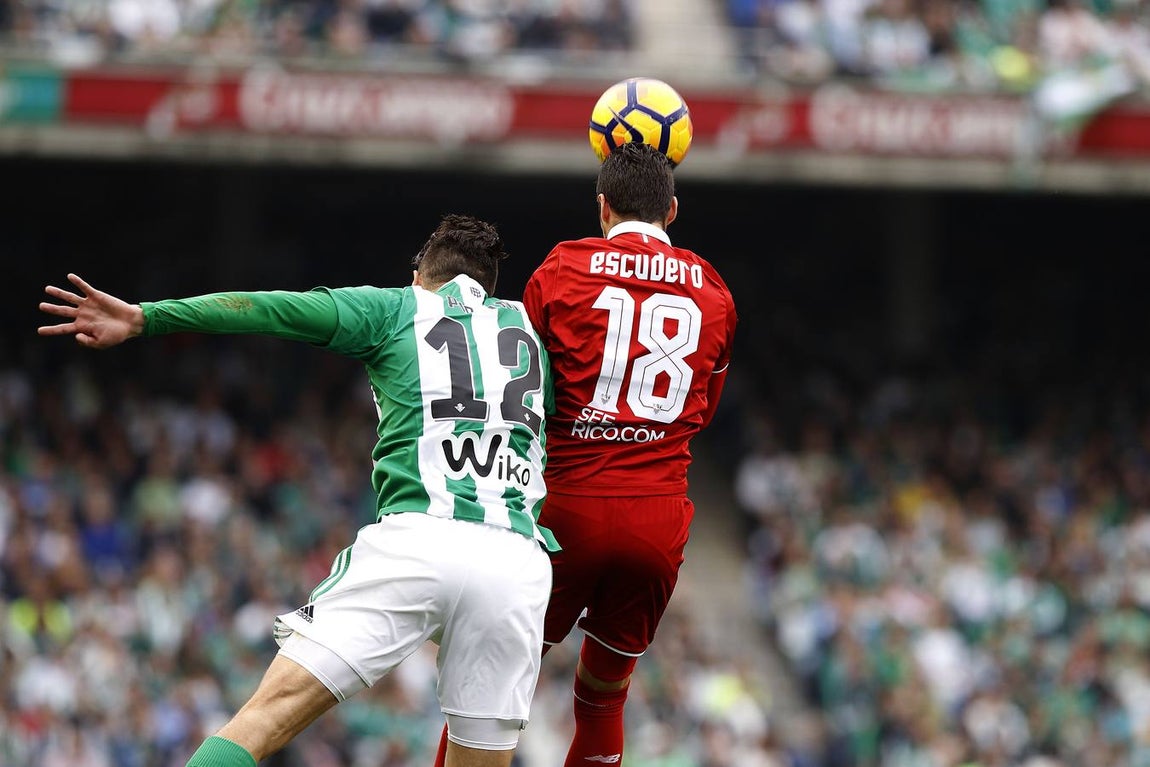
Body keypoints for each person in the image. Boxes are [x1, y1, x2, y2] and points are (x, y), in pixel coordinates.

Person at [38, 214, 558, 767]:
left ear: (418, 275)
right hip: (514, 558)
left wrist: (149, 318)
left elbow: (271, 309)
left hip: (420, 539)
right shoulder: (532, 331)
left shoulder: (396, 307)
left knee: (263, 718)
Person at [432, 142, 738, 767]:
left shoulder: (564, 267)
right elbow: (702, 410)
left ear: (602, 207)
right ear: (672, 211)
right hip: (657, 516)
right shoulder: (714, 291)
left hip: (565, 509)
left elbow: (525, 389)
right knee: (603, 700)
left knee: (487, 694)